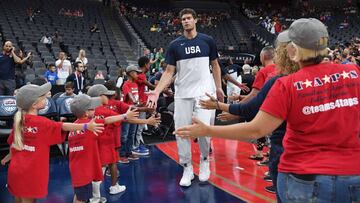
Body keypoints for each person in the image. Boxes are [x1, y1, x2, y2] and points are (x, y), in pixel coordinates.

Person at [175, 18, 360, 202]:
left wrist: (208, 130)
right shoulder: (353, 73)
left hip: (303, 175)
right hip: (353, 174)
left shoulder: (286, 84)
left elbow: (256, 129)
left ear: (292, 50)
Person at [147, 8, 225, 187]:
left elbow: (216, 65)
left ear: (195, 20)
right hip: (182, 94)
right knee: (181, 131)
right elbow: (168, 71)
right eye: (183, 19)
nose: (186, 21)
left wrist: (219, 87)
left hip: (205, 92)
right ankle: (187, 167)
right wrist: (157, 91)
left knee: (204, 130)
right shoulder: (175, 45)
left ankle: (205, 161)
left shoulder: (207, 41)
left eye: (189, 18)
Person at [0, 83, 104, 203]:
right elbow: (63, 126)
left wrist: (7, 158)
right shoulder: (42, 123)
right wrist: (86, 126)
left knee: (18, 199)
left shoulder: (19, 121)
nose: (46, 98)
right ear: (34, 104)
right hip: (31, 174)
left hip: (15, 170)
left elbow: (13, 144)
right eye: (43, 97)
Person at [69, 94, 137, 202]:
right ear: (86, 113)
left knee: (79, 195)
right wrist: (125, 115)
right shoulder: (91, 127)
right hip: (85, 171)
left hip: (77, 169)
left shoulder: (75, 125)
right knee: (81, 199)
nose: (95, 109)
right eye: (92, 108)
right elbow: (107, 120)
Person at [133, 57, 156, 155]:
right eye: (149, 64)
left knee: (139, 126)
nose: (149, 66)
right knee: (139, 126)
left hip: (140, 103)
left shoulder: (140, 75)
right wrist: (162, 89)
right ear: (146, 64)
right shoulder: (141, 75)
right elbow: (150, 86)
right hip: (140, 104)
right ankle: (136, 146)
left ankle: (137, 144)